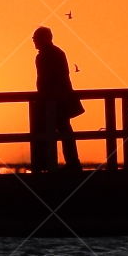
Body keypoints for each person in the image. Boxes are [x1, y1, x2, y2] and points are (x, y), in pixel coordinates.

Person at [31, 26, 82, 172]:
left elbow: (48, 79)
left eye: (35, 38)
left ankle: (49, 164)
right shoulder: (57, 53)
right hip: (60, 99)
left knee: (52, 131)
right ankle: (71, 163)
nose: (34, 41)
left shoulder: (46, 55)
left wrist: (45, 97)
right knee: (63, 130)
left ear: (44, 38)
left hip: (54, 100)